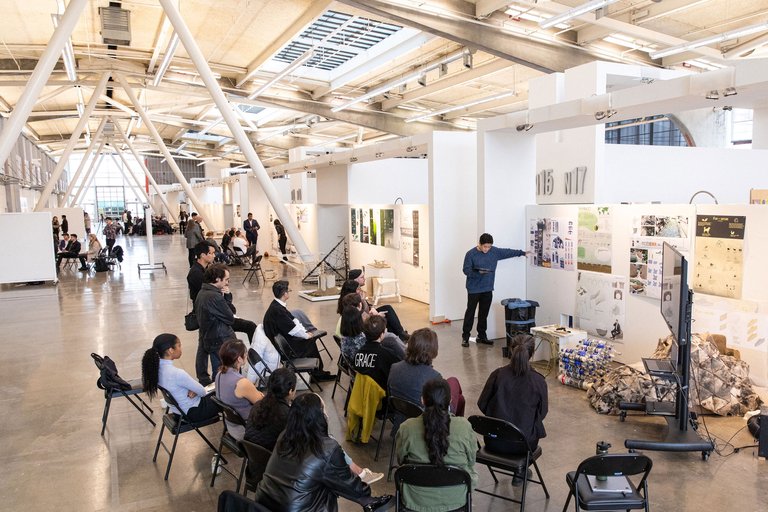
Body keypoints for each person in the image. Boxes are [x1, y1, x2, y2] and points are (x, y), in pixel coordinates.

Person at [254, 393, 391, 512]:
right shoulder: (327, 448)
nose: (326, 413)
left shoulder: (285, 436)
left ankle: (368, 502)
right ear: (319, 416)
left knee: (327, 476)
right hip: (297, 508)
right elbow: (350, 486)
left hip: (265, 501)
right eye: (324, 409)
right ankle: (369, 502)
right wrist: (365, 491)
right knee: (332, 482)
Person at [395, 378, 477, 512]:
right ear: (450, 401)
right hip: (455, 499)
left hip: (415, 499)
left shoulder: (406, 428)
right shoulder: (464, 427)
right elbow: (472, 460)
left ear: (422, 400)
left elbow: (401, 460)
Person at [477, 333, 548, 458]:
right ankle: (520, 474)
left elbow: (482, 404)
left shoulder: (497, 375)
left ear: (511, 350)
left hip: (494, 441)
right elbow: (542, 413)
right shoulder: (539, 381)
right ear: (532, 354)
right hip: (524, 445)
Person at [461, 233, 528, 347]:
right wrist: (478, 273)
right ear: (479, 244)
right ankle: (465, 337)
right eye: (485, 247)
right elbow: (466, 270)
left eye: (489, 247)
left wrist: (522, 253)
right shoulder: (470, 254)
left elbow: (507, 252)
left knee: (484, 313)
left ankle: (482, 336)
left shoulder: (494, 251)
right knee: (470, 313)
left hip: (487, 288)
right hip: (474, 289)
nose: (487, 249)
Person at [263, 280, 335, 382]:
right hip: (286, 348)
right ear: (285, 294)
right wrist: (306, 336)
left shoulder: (277, 305)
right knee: (310, 342)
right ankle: (318, 375)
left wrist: (305, 333)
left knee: (309, 339)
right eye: (288, 290)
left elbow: (293, 320)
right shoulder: (277, 310)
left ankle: (317, 372)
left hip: (285, 339)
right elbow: (293, 329)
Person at [141, 333, 218, 422]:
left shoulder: (156, 370)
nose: (181, 349)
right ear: (171, 350)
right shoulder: (177, 373)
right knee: (225, 396)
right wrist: (196, 391)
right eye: (179, 346)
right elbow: (203, 392)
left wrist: (194, 390)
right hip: (194, 412)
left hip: (178, 413)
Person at [194, 263, 236, 383]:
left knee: (218, 371)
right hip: (220, 340)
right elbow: (230, 317)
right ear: (217, 279)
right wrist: (227, 298)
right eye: (226, 279)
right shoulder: (214, 297)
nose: (227, 283)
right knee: (223, 373)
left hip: (211, 337)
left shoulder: (203, 292)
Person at [215, 340, 264, 440]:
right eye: (245, 354)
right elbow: (263, 403)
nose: (246, 355)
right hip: (246, 429)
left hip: (231, 426)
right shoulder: (241, 382)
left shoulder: (219, 374)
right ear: (239, 359)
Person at [348, 269, 409, 341]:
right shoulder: (353, 297)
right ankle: (397, 336)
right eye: (362, 277)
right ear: (355, 280)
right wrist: (376, 315)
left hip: (367, 313)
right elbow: (361, 316)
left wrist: (371, 308)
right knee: (386, 318)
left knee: (387, 309)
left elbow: (366, 306)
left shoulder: (356, 292)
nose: (364, 279)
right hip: (364, 320)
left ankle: (399, 335)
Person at [244, 367, 297, 450]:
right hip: (273, 459)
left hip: (252, 455)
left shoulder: (257, 405)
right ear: (290, 391)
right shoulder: (287, 415)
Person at [388, 328, 443, 406]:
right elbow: (439, 407)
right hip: (423, 417)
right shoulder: (434, 377)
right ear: (433, 349)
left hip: (399, 414)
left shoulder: (394, 368)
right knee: (455, 388)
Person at [352, 315, 403, 391]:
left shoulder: (357, 355)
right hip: (383, 395)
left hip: (363, 393)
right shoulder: (387, 354)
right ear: (382, 334)